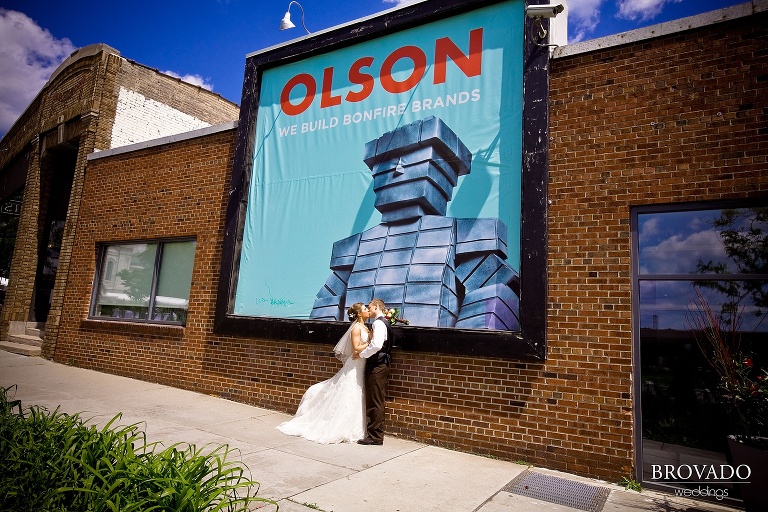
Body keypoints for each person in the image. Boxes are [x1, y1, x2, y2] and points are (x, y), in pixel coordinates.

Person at [276, 303, 370, 444]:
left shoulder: (364, 327)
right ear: (358, 314)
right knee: (350, 391)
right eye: (365, 309)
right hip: (355, 364)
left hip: (361, 364)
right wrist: (371, 343)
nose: (368, 310)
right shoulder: (356, 328)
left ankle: (354, 426)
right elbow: (356, 348)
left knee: (357, 391)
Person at [356, 298, 393, 446]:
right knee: (376, 399)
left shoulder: (378, 323)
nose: (369, 310)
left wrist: (362, 354)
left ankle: (375, 436)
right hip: (382, 364)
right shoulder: (384, 322)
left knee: (375, 400)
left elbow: (377, 345)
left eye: (370, 307)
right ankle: (375, 434)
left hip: (378, 365)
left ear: (376, 307)